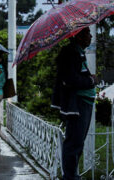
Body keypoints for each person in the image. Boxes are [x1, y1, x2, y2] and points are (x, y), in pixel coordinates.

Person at [51, 27, 97, 180]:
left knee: (78, 142)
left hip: (84, 102)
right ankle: (70, 177)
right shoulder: (70, 53)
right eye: (87, 33)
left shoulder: (78, 52)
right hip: (77, 104)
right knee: (74, 142)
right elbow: (70, 79)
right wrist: (91, 81)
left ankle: (72, 175)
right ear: (78, 37)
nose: (90, 36)